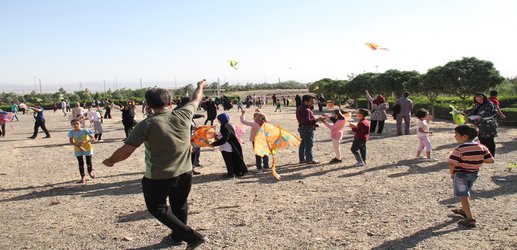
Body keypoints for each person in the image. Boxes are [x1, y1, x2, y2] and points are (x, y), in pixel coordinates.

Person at [102, 81, 208, 249]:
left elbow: (126, 150)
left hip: (159, 176)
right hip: (185, 171)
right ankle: (177, 237)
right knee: (179, 204)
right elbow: (196, 98)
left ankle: (191, 236)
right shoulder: (184, 114)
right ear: (170, 102)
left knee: (157, 207)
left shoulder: (146, 124)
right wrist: (201, 86)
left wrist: (110, 161)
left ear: (148, 105)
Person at [448, 124, 494, 228]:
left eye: (456, 134)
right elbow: (491, 160)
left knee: (463, 196)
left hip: (460, 174)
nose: (455, 136)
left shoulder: (460, 149)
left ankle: (470, 219)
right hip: (474, 173)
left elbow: (452, 163)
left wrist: (452, 173)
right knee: (466, 192)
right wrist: (476, 159)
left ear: (464, 136)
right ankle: (464, 210)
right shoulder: (482, 147)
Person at [211, 113, 248, 178]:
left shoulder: (223, 126)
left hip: (227, 146)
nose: (218, 121)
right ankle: (234, 171)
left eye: (218, 120)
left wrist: (214, 144)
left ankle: (230, 174)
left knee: (228, 161)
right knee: (232, 159)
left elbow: (225, 138)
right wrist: (216, 136)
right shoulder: (229, 125)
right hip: (232, 145)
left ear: (221, 120)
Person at [296, 95, 325, 164]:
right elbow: (307, 121)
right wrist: (318, 119)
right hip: (307, 129)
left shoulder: (301, 108)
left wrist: (315, 122)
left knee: (303, 144)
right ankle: (309, 159)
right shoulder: (305, 110)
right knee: (308, 144)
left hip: (303, 128)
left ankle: (302, 159)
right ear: (306, 101)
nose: (313, 103)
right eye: (311, 101)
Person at [68, 118, 96, 183]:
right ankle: (83, 176)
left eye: (77, 124)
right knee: (80, 163)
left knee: (88, 161)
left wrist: (85, 141)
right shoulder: (71, 132)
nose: (76, 125)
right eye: (74, 124)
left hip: (87, 147)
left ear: (80, 124)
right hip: (78, 148)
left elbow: (93, 138)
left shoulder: (85, 130)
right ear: (71, 125)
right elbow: (71, 142)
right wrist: (79, 147)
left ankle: (90, 171)